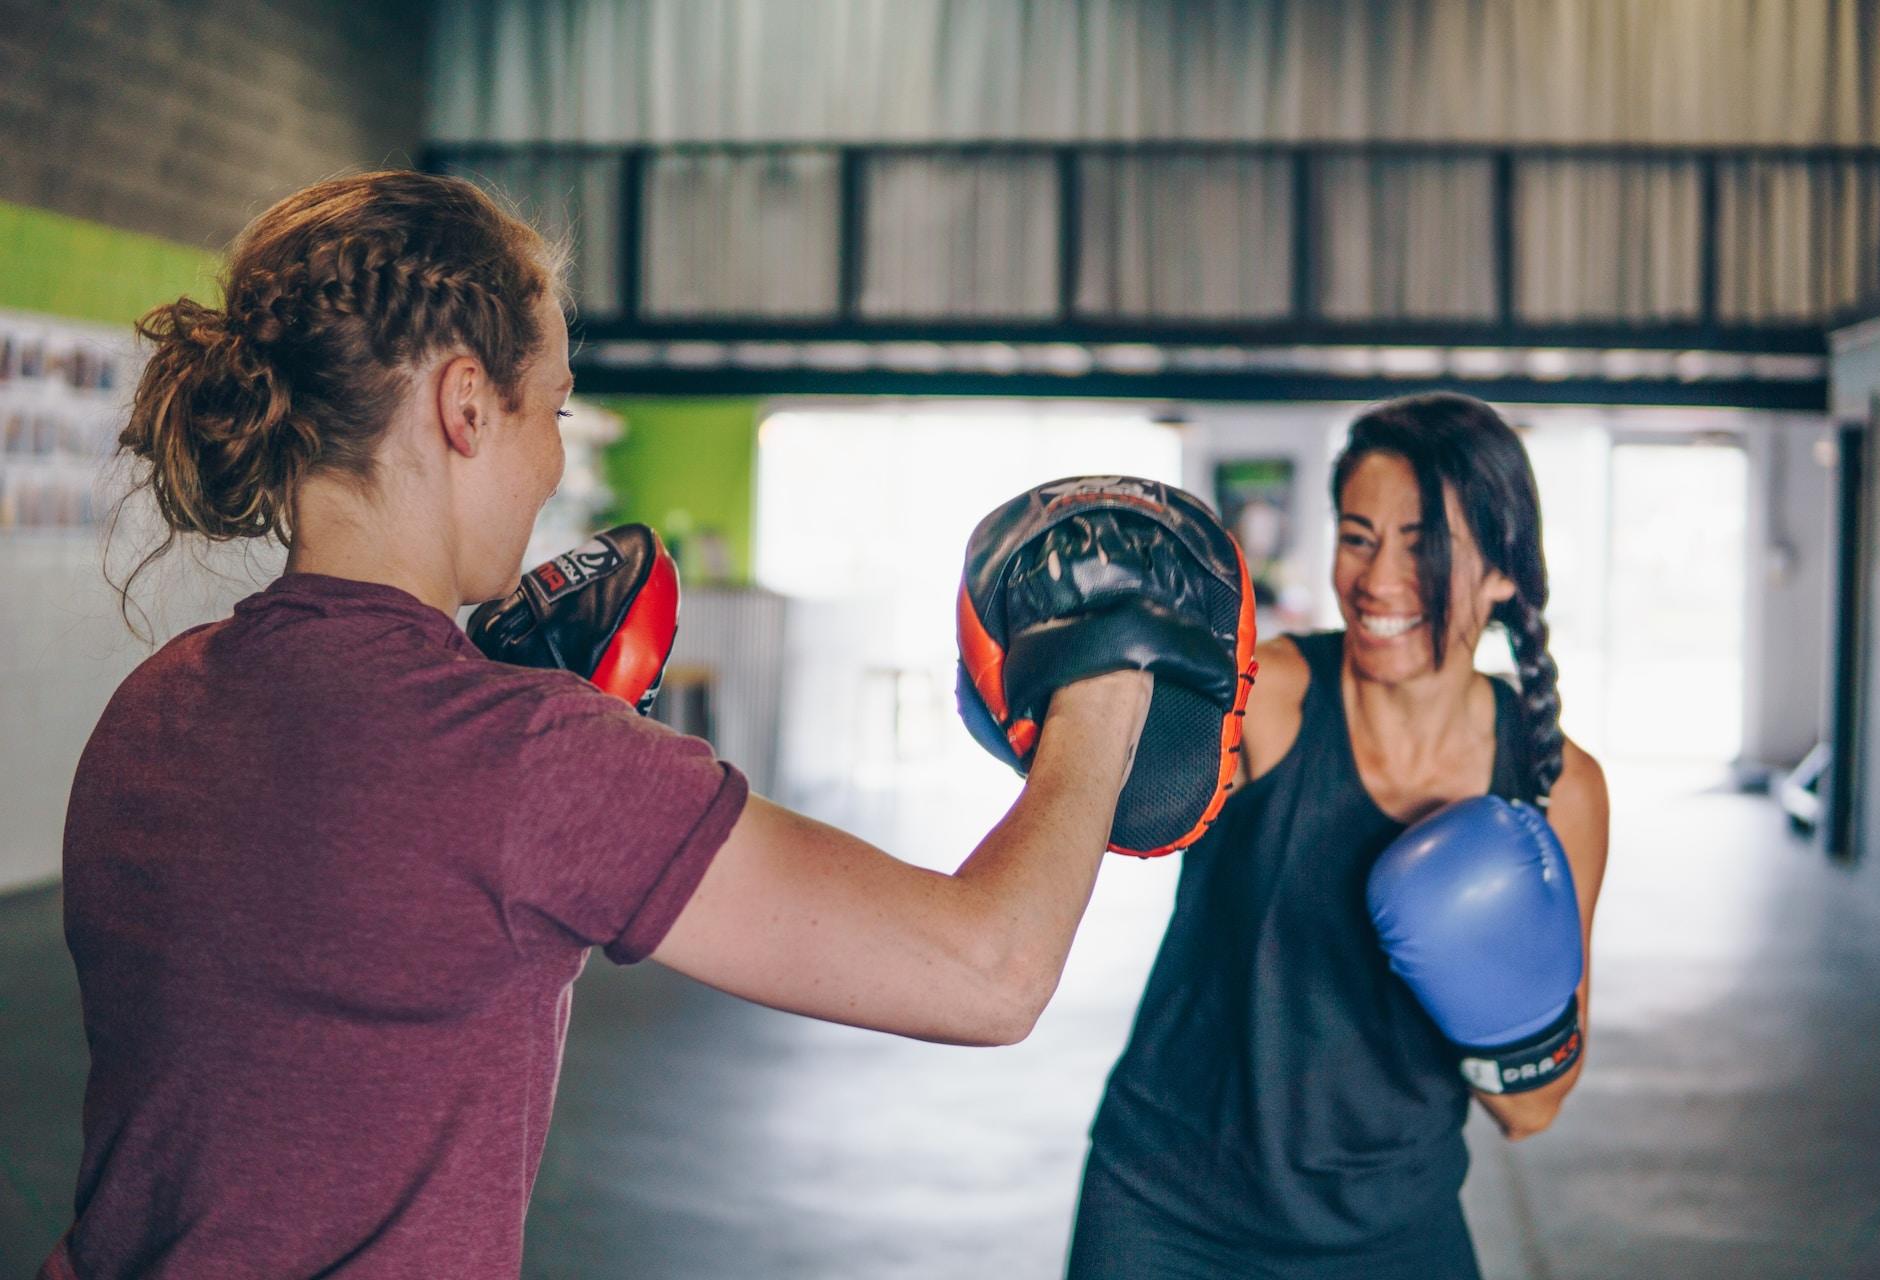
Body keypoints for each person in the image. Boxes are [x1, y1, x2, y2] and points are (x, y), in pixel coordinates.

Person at [44, 171, 1164, 1280]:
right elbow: (990, 969)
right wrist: (1105, 687)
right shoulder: (522, 758)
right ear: (468, 406)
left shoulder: (153, 705)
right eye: (558, 407)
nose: (554, 460)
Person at [1066, 393, 1610, 1279]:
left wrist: (1484, 974)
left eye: (1424, 544)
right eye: (1359, 537)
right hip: (1170, 1211)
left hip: (1394, 1227)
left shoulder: (1558, 787)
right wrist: (1093, 668)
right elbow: (1111, 781)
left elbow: (1534, 1106)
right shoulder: (1269, 696)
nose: (1379, 581)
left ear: (1504, 572)